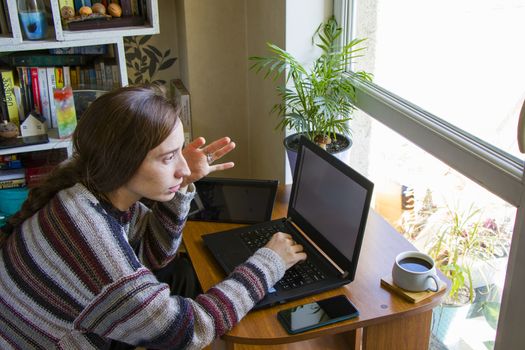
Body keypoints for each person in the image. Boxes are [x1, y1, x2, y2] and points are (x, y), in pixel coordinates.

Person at [0, 84, 306, 349]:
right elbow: (191, 330)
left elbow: (154, 256)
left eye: (180, 151)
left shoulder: (89, 193)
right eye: (168, 157)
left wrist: (181, 183)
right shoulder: (94, 243)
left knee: (182, 274)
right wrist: (269, 262)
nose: (185, 168)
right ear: (122, 162)